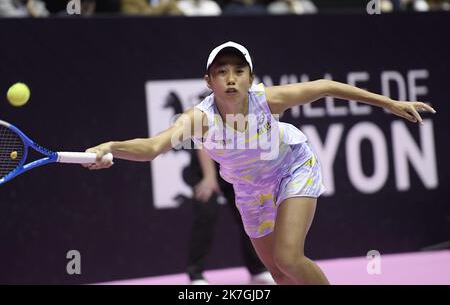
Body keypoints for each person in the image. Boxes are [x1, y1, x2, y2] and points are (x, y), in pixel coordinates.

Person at [84, 41, 436, 284]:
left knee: (288, 257)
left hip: (292, 167)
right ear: (209, 81)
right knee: (280, 275)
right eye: (221, 71)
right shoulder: (198, 119)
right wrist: (112, 146)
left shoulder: (267, 100)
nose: (231, 77)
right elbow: (153, 147)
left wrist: (388, 103)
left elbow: (326, 86)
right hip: (249, 190)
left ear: (250, 78)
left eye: (239, 70)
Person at [184, 135, 274, 284]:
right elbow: (203, 141)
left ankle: (257, 270)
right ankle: (195, 276)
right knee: (206, 216)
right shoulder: (209, 112)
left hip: (233, 166)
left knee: (249, 215)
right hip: (205, 169)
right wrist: (209, 176)